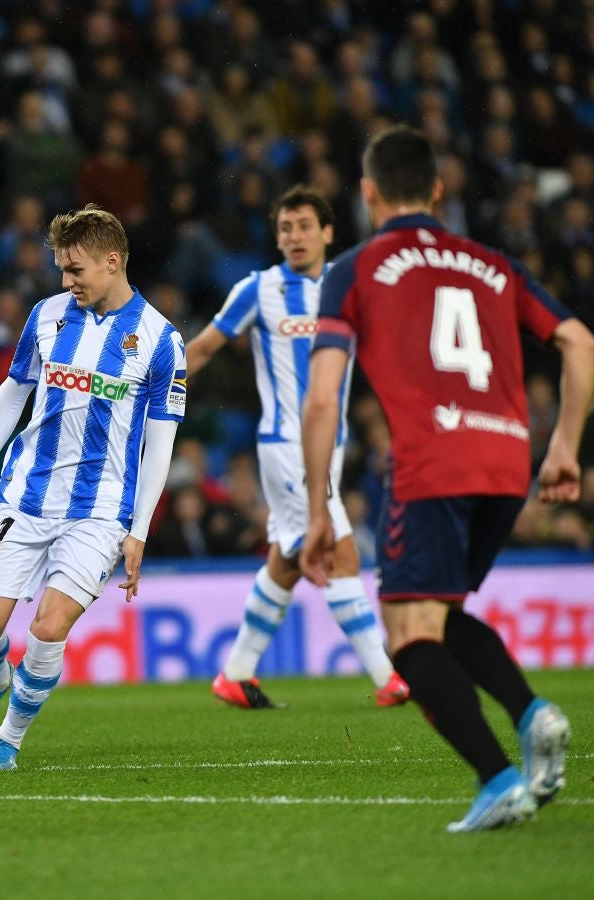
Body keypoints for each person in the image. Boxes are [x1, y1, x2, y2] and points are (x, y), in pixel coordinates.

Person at [301, 126, 594, 831]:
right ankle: (532, 714)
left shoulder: (355, 268)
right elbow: (579, 342)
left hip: (432, 461)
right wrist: (563, 447)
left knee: (407, 637)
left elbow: (321, 398)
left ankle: (497, 780)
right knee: (441, 614)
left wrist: (318, 507)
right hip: (505, 463)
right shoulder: (491, 262)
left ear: (368, 192)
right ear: (438, 190)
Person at [0, 205, 186, 770]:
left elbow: (161, 444)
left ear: (112, 261)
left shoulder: (160, 340)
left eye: (75, 269)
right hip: (26, 496)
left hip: (101, 509)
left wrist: (139, 530)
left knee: (48, 625)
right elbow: (14, 391)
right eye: (61, 269)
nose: (66, 281)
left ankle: (9, 737)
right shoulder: (48, 315)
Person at [185, 185, 409, 710]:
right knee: (339, 551)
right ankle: (388, 678)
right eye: (286, 228)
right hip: (286, 445)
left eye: (305, 226)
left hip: (333, 445)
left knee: (289, 559)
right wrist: (150, 396)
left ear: (328, 232)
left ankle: (236, 674)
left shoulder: (348, 288)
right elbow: (202, 348)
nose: (295, 236)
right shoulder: (257, 289)